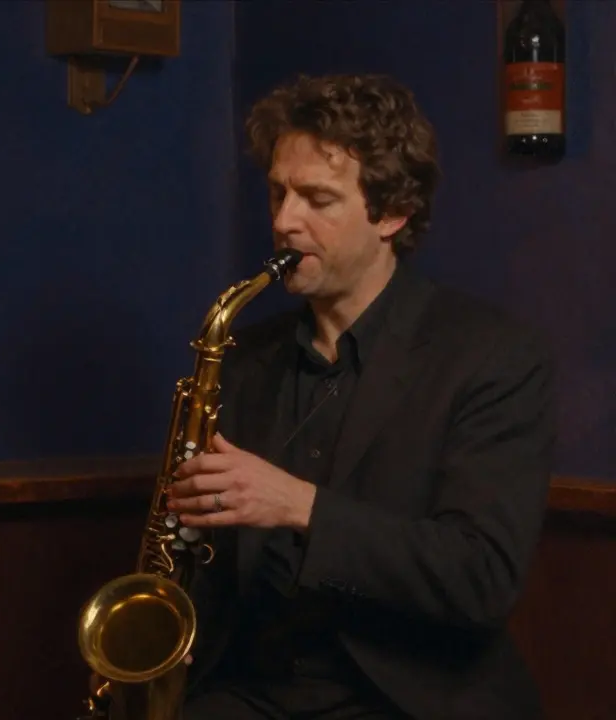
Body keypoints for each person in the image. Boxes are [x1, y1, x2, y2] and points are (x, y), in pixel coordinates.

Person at [167, 73, 556, 719]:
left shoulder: (492, 356)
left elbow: (479, 576)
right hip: (255, 688)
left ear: (392, 213)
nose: (285, 222)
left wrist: (301, 506)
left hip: (409, 697)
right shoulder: (244, 359)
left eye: (317, 199)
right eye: (278, 193)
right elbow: (207, 552)